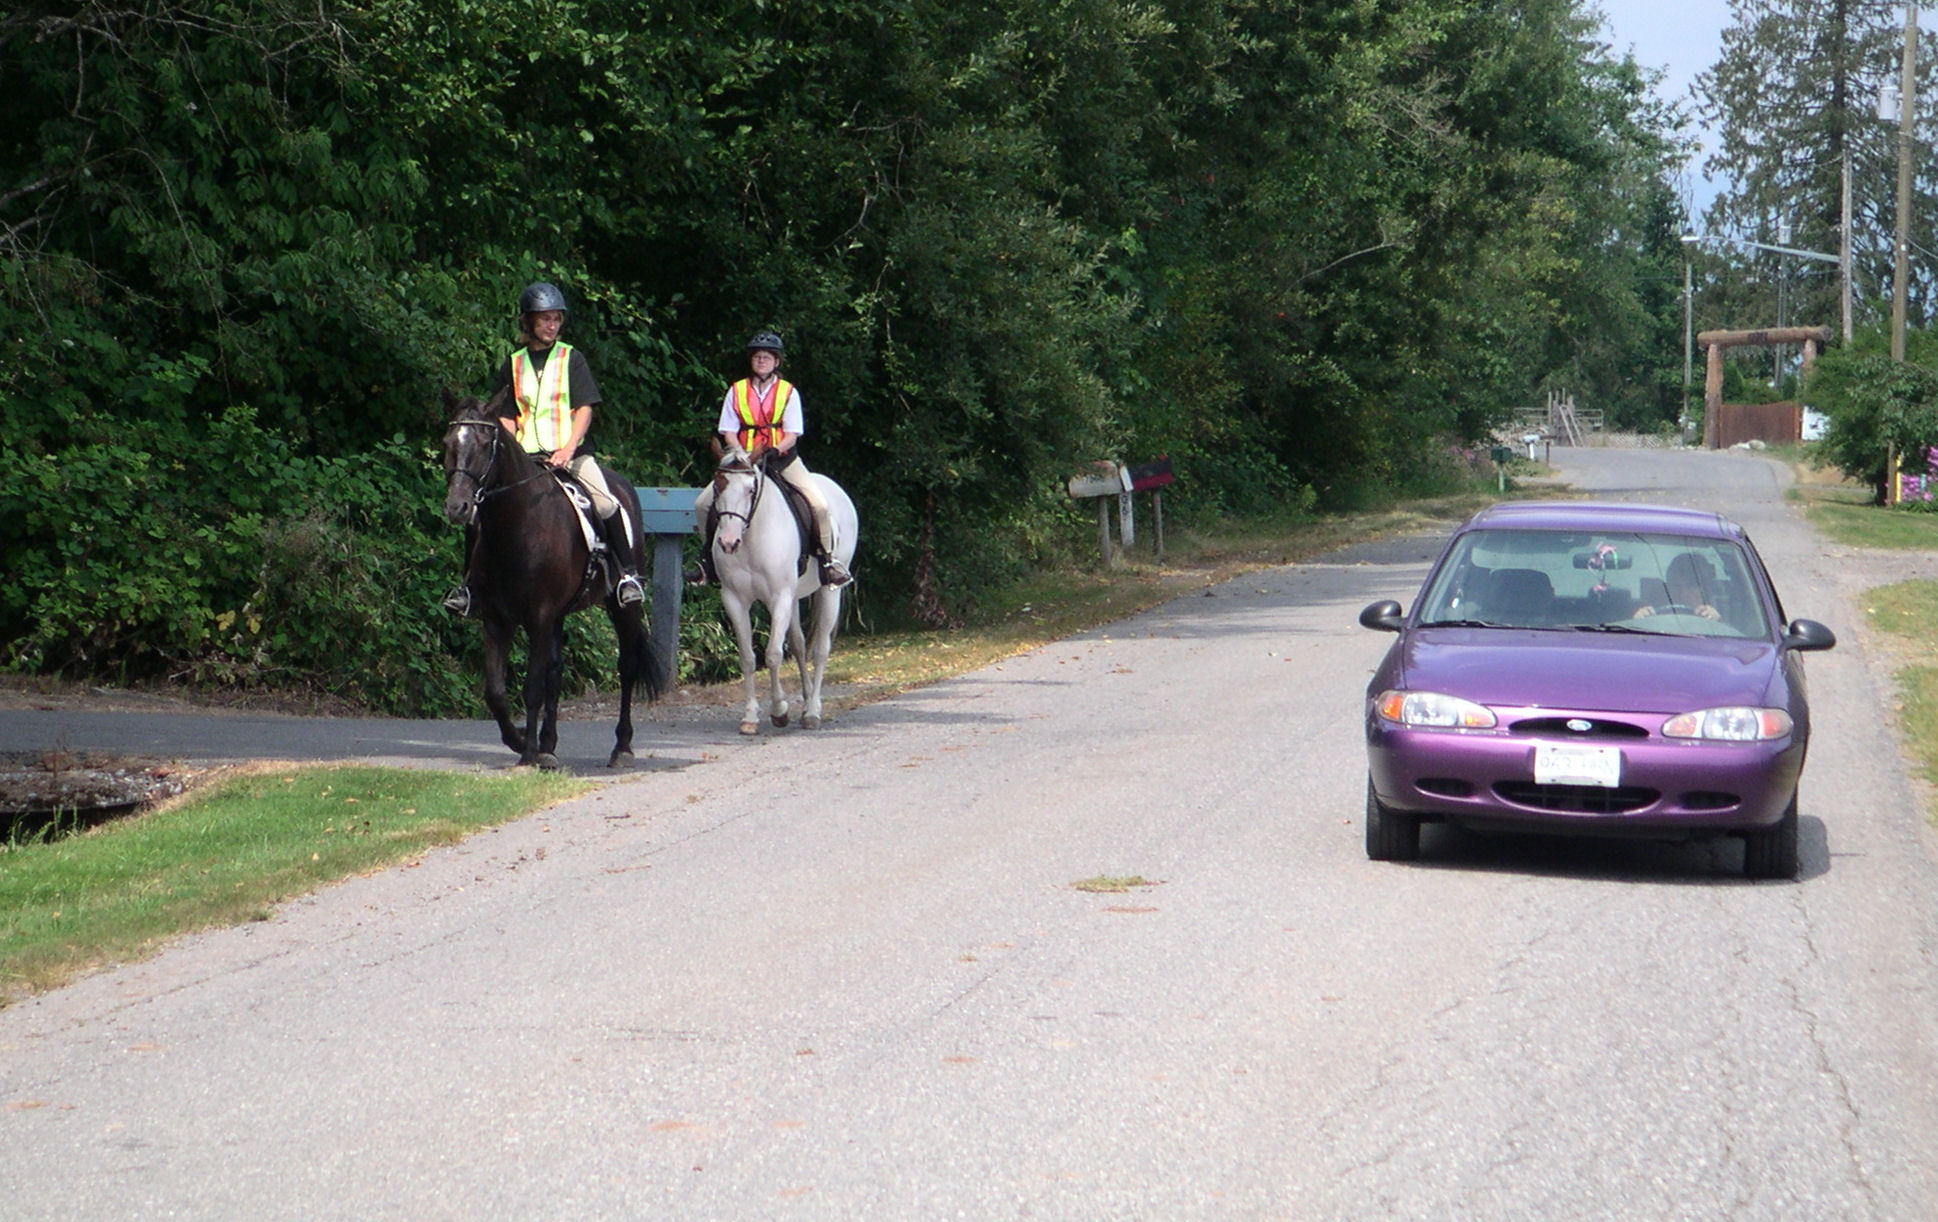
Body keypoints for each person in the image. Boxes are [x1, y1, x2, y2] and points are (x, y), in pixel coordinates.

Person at [444, 282, 645, 615]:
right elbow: (505, 414)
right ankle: (469, 588)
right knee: (478, 511)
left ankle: (627, 576)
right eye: (545, 319)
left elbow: (584, 409)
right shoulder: (514, 363)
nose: (552, 325)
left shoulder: (571, 358)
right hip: (526, 458)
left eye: (556, 319)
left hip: (570, 454)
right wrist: (516, 453)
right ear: (529, 322)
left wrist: (568, 448)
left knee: (606, 502)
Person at [688, 330, 851, 587]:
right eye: (757, 357)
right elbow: (728, 431)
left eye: (767, 357)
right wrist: (741, 454)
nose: (761, 361)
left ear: (776, 362)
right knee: (702, 504)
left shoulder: (788, 392)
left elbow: (793, 433)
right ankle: (707, 560)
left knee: (819, 505)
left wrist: (775, 449)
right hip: (743, 464)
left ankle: (828, 561)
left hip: (782, 459)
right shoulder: (737, 391)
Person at [1634, 552, 1720, 620]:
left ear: (1704, 589)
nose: (1683, 593)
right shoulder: (1652, 618)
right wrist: (1639, 622)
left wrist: (1717, 622)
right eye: (1676, 587)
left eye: (1691, 586)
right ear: (1668, 589)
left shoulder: (1716, 621)